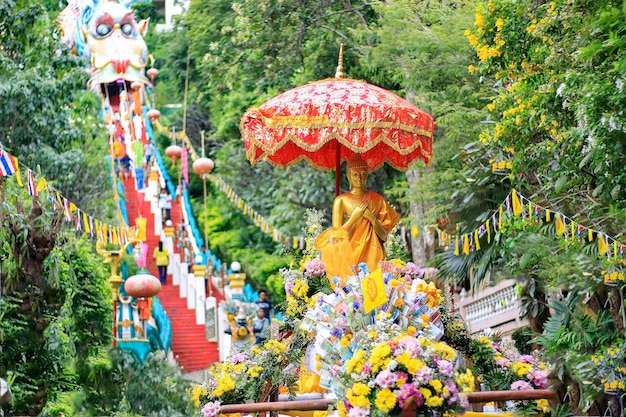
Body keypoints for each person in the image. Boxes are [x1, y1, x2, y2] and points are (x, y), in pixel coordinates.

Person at [317, 154, 400, 275]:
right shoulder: (341, 200)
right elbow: (336, 237)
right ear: (348, 176)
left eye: (363, 174)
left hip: (373, 253)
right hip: (350, 252)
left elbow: (383, 236)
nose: (359, 178)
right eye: (355, 174)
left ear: (367, 175)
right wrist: (354, 217)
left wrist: (371, 217)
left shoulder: (377, 199)